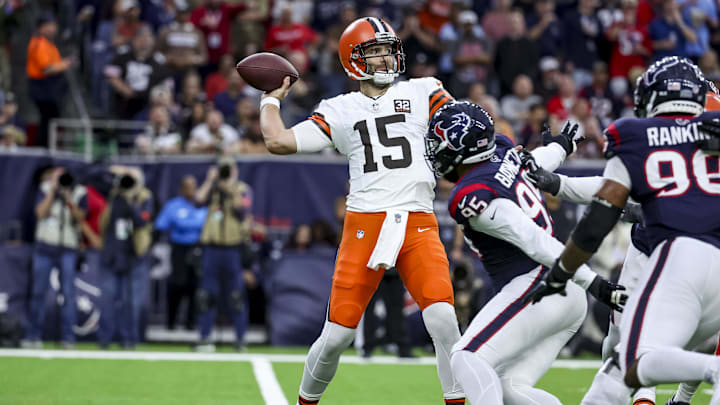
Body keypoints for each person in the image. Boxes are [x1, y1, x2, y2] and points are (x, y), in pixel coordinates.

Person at [259, 17, 465, 405]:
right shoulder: (340, 109)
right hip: (365, 223)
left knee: (443, 319)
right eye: (375, 52)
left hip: (417, 219)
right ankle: (306, 401)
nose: (387, 59)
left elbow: (464, 126)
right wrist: (271, 100)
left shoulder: (424, 89)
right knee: (338, 335)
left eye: (389, 50)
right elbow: (278, 141)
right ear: (353, 61)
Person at [524, 57, 720, 405]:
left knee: (635, 357)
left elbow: (598, 217)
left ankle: (711, 371)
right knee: (617, 371)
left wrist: (562, 272)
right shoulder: (711, 123)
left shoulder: (636, 136)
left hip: (677, 258)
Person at [425, 101, 626, 405]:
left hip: (542, 281)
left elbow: (533, 240)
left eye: (439, 143)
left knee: (468, 358)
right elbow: (532, 163)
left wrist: (594, 283)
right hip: (563, 296)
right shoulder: (501, 153)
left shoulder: (472, 194)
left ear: (459, 146)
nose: (435, 151)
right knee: (510, 388)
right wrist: (562, 147)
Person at [24, 167, 87, 349]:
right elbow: (40, 214)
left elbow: (80, 217)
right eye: (57, 178)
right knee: (38, 293)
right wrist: (52, 193)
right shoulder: (45, 189)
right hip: (44, 247)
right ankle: (33, 336)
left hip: (68, 248)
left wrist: (68, 198)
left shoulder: (79, 192)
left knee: (68, 293)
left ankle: (68, 338)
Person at [194, 157, 253, 351]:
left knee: (236, 295)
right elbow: (197, 200)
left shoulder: (242, 189)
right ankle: (205, 338)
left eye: (228, 169)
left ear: (235, 170)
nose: (226, 173)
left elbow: (242, 209)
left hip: (233, 249)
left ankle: (241, 338)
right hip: (212, 249)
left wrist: (228, 186)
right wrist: (210, 181)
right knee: (206, 295)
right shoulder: (213, 189)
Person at [97, 166, 154, 349]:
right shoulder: (115, 195)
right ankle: (105, 339)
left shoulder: (145, 197)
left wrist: (131, 200)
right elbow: (93, 175)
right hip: (112, 254)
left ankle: (129, 339)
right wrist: (117, 174)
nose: (128, 183)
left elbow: (142, 221)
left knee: (131, 302)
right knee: (108, 299)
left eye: (132, 180)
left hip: (134, 255)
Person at [155, 175, 207, 330]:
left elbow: (208, 225)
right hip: (179, 248)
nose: (191, 189)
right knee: (177, 285)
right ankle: (171, 322)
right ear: (181, 188)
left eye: (193, 186)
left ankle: (191, 323)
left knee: (195, 286)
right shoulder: (173, 205)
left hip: (197, 248)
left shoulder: (201, 205)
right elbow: (161, 225)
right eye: (187, 186)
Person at [26, 13, 72, 147]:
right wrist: (64, 65)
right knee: (48, 118)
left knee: (50, 118)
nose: (53, 28)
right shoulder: (39, 43)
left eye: (54, 25)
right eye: (49, 26)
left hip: (50, 87)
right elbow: (47, 69)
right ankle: (44, 148)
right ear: (41, 28)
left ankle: (47, 147)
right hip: (42, 87)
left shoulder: (49, 44)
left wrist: (63, 64)